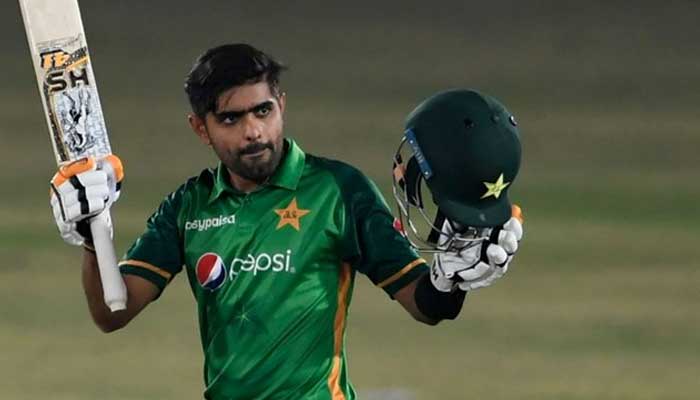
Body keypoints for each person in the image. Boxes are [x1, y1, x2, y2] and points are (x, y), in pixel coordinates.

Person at [49, 43, 524, 400]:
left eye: (263, 111)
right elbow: (112, 313)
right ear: (201, 129)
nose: (254, 130)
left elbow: (425, 305)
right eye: (231, 119)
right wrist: (95, 235)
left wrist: (451, 285)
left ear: (282, 105)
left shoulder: (338, 190)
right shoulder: (188, 207)